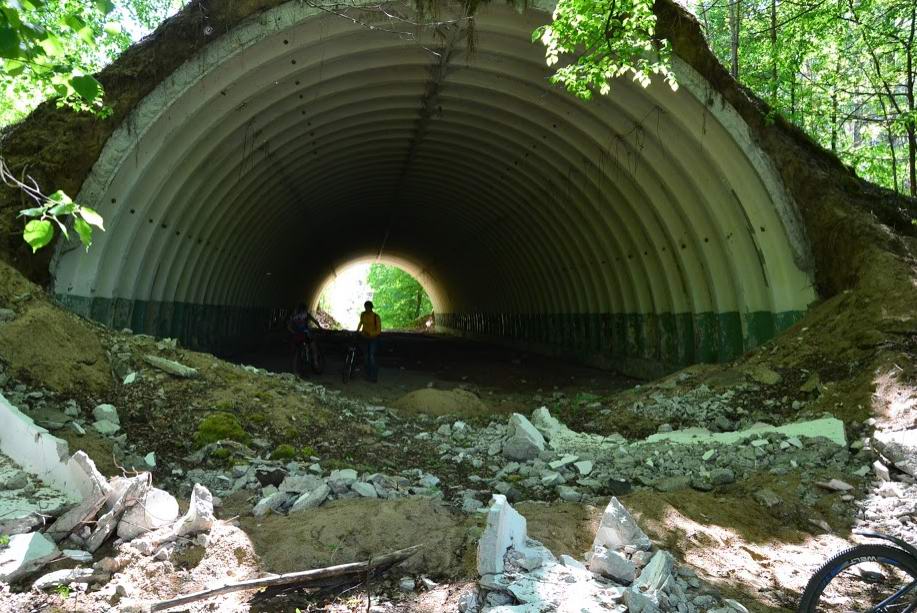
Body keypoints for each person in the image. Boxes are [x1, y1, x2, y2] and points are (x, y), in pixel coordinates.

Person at [287, 303, 321, 368]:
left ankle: (296, 363)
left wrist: (293, 332)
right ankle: (315, 362)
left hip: (297, 335)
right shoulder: (306, 315)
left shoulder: (294, 315)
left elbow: (288, 325)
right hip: (306, 334)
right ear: (305, 309)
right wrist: (320, 327)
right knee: (313, 346)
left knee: (296, 348)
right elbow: (315, 321)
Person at [355, 300, 381, 382]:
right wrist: (358, 331)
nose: (366, 309)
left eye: (368, 307)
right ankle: (367, 374)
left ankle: (373, 376)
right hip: (364, 338)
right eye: (365, 307)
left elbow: (379, 330)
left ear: (371, 307)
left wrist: (370, 333)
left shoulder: (376, 317)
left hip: (373, 339)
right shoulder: (363, 314)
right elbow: (361, 323)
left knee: (371, 356)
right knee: (366, 356)